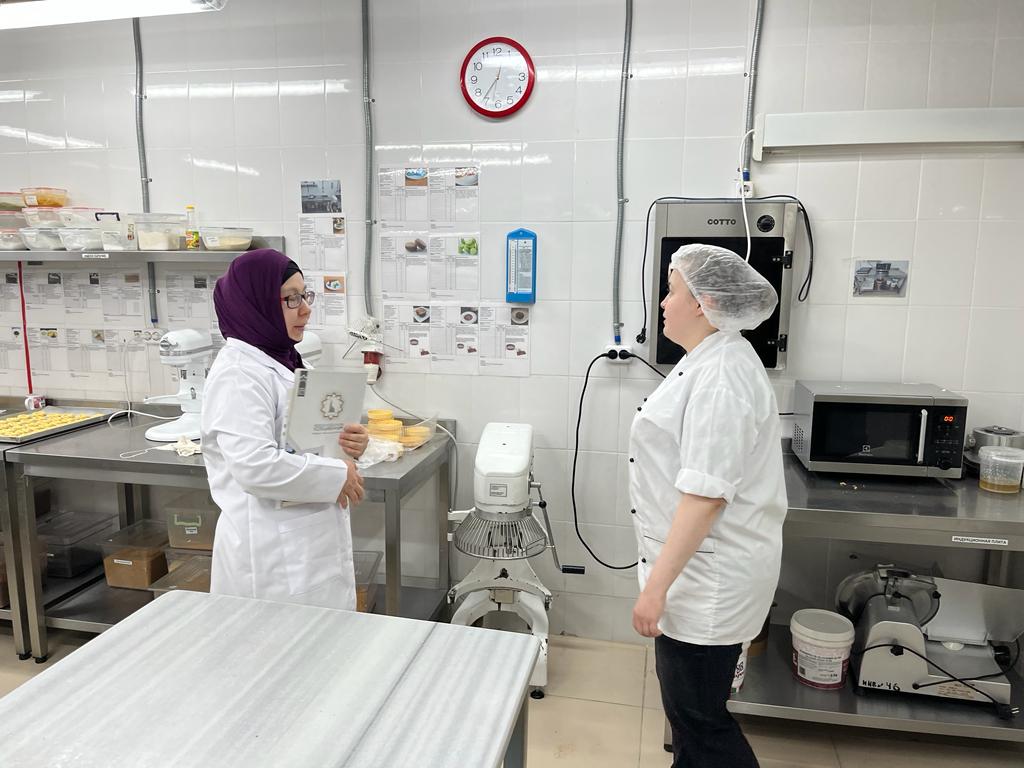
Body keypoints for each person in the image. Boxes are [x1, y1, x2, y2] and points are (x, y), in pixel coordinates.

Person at [629, 244, 787, 768]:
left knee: (700, 722)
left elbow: (704, 498)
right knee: (691, 719)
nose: (663, 303)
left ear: (704, 302)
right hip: (696, 573)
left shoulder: (722, 376)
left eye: (672, 291)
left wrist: (654, 591)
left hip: (707, 582)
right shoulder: (708, 360)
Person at [202, 249, 370, 610]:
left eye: (305, 295)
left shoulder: (286, 360)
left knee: (323, 636)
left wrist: (348, 444)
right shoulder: (238, 374)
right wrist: (336, 474)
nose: (305, 309)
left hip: (306, 541)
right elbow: (254, 466)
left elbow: (305, 440)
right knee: (273, 641)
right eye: (291, 298)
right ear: (256, 303)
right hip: (269, 557)